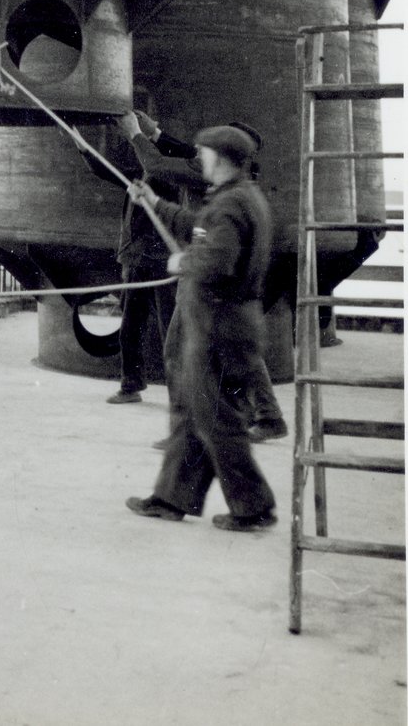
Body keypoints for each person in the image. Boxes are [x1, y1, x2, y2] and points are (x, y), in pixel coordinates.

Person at [125, 123, 278, 531]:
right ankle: (170, 499)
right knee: (198, 415)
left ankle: (253, 507)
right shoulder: (241, 198)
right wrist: (156, 204)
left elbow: (215, 260)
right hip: (229, 325)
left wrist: (182, 263)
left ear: (222, 158)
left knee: (218, 420)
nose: (200, 160)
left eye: (204, 153)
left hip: (219, 328)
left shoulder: (230, 205)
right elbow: (202, 228)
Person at [69, 108, 202, 404]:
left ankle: (180, 398)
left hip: (162, 261)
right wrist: (82, 146)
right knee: (130, 326)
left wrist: (148, 132)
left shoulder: (168, 173)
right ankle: (131, 385)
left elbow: (174, 155)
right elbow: (104, 169)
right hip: (136, 260)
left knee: (171, 330)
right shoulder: (140, 175)